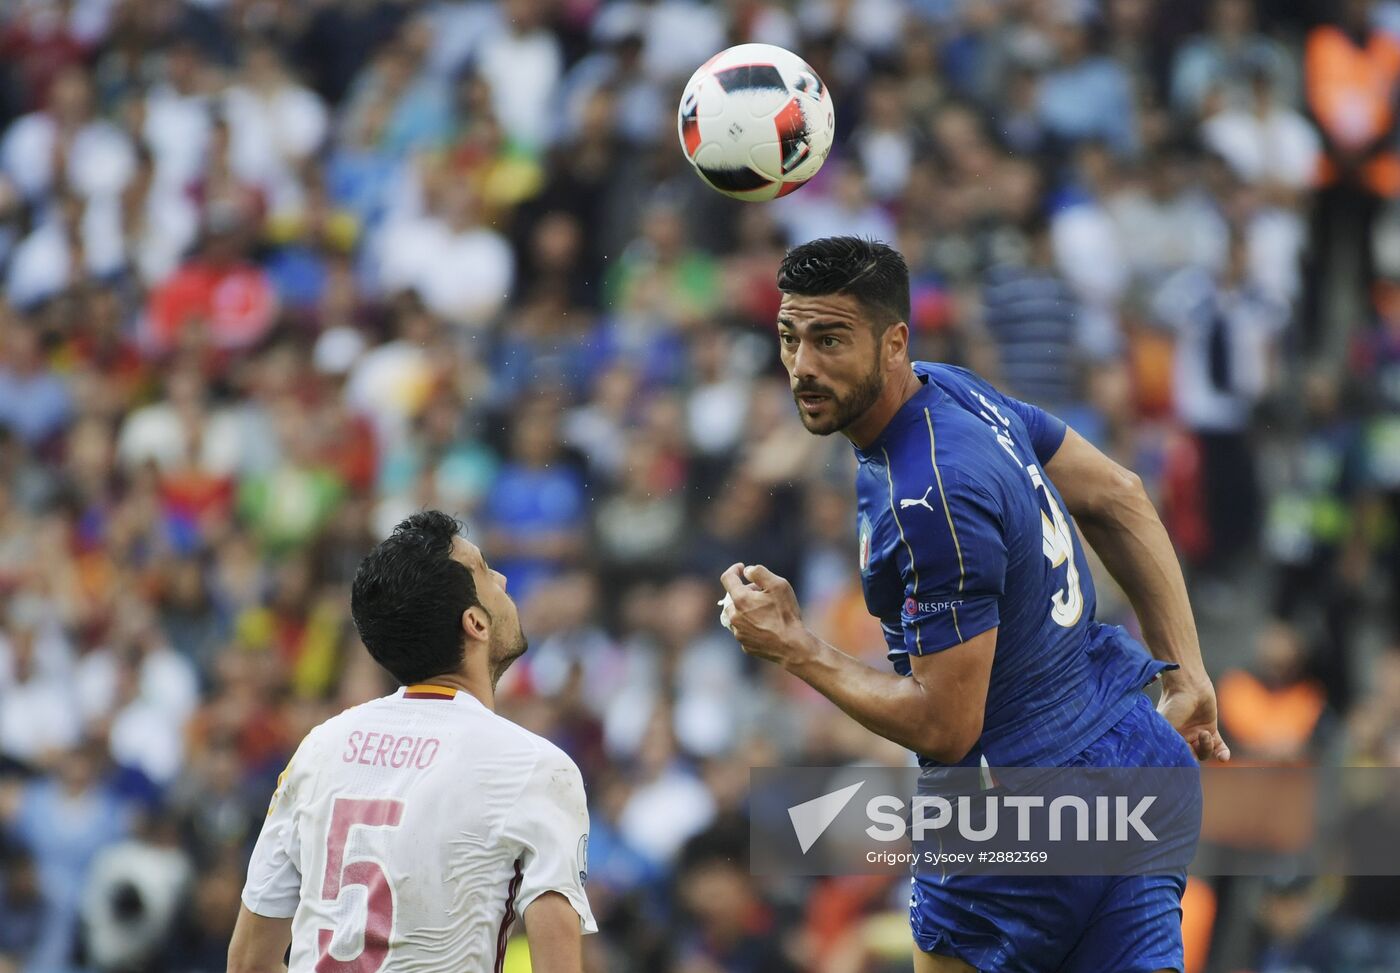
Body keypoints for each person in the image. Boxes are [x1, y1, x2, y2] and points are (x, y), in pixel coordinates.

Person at [718, 237, 1230, 973]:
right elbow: (1118, 495)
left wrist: (795, 645)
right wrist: (1188, 673)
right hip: (1134, 760)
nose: (802, 365)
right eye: (789, 337)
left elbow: (946, 725)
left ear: (894, 343)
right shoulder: (955, 391)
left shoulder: (927, 498)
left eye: (830, 340)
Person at [227, 510, 596, 973]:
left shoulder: (319, 748)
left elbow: (248, 962)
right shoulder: (535, 766)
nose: (502, 579)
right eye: (485, 571)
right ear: (475, 624)